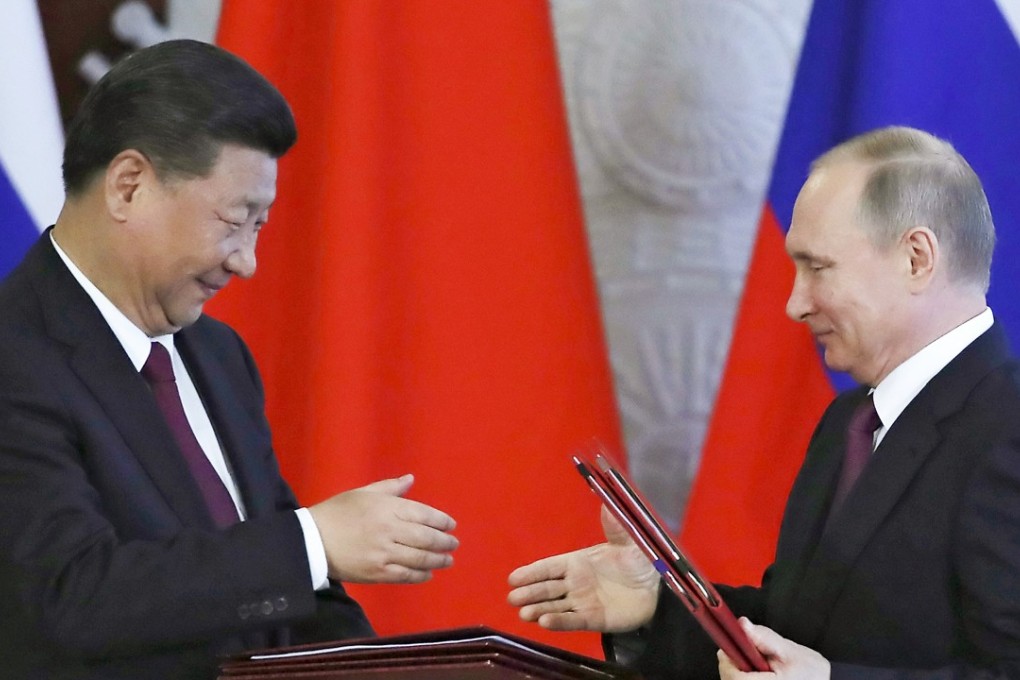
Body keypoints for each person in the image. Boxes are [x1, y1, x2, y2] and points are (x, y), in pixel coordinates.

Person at [0, 39, 459, 679]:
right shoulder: (13, 353)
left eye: (260, 225)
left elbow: (290, 585)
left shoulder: (218, 355)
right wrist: (312, 543)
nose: (247, 261)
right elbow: (71, 596)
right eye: (234, 220)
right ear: (128, 187)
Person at [507, 126, 1020, 678]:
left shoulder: (1007, 425)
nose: (795, 304)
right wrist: (655, 605)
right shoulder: (848, 422)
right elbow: (792, 632)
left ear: (916, 258)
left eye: (818, 267)